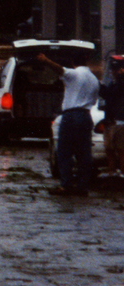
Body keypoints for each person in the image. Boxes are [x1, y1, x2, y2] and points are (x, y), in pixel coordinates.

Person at [36, 51, 99, 195]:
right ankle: (83, 187)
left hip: (71, 116)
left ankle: (66, 185)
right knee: (84, 154)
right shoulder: (94, 79)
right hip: (86, 116)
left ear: (73, 63)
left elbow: (59, 69)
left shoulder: (74, 74)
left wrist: (46, 60)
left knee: (64, 152)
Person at [101, 54, 124, 175]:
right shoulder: (113, 83)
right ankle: (112, 172)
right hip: (111, 120)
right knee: (109, 149)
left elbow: (113, 94)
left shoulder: (120, 82)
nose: (114, 71)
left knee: (121, 151)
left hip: (120, 121)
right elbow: (107, 94)